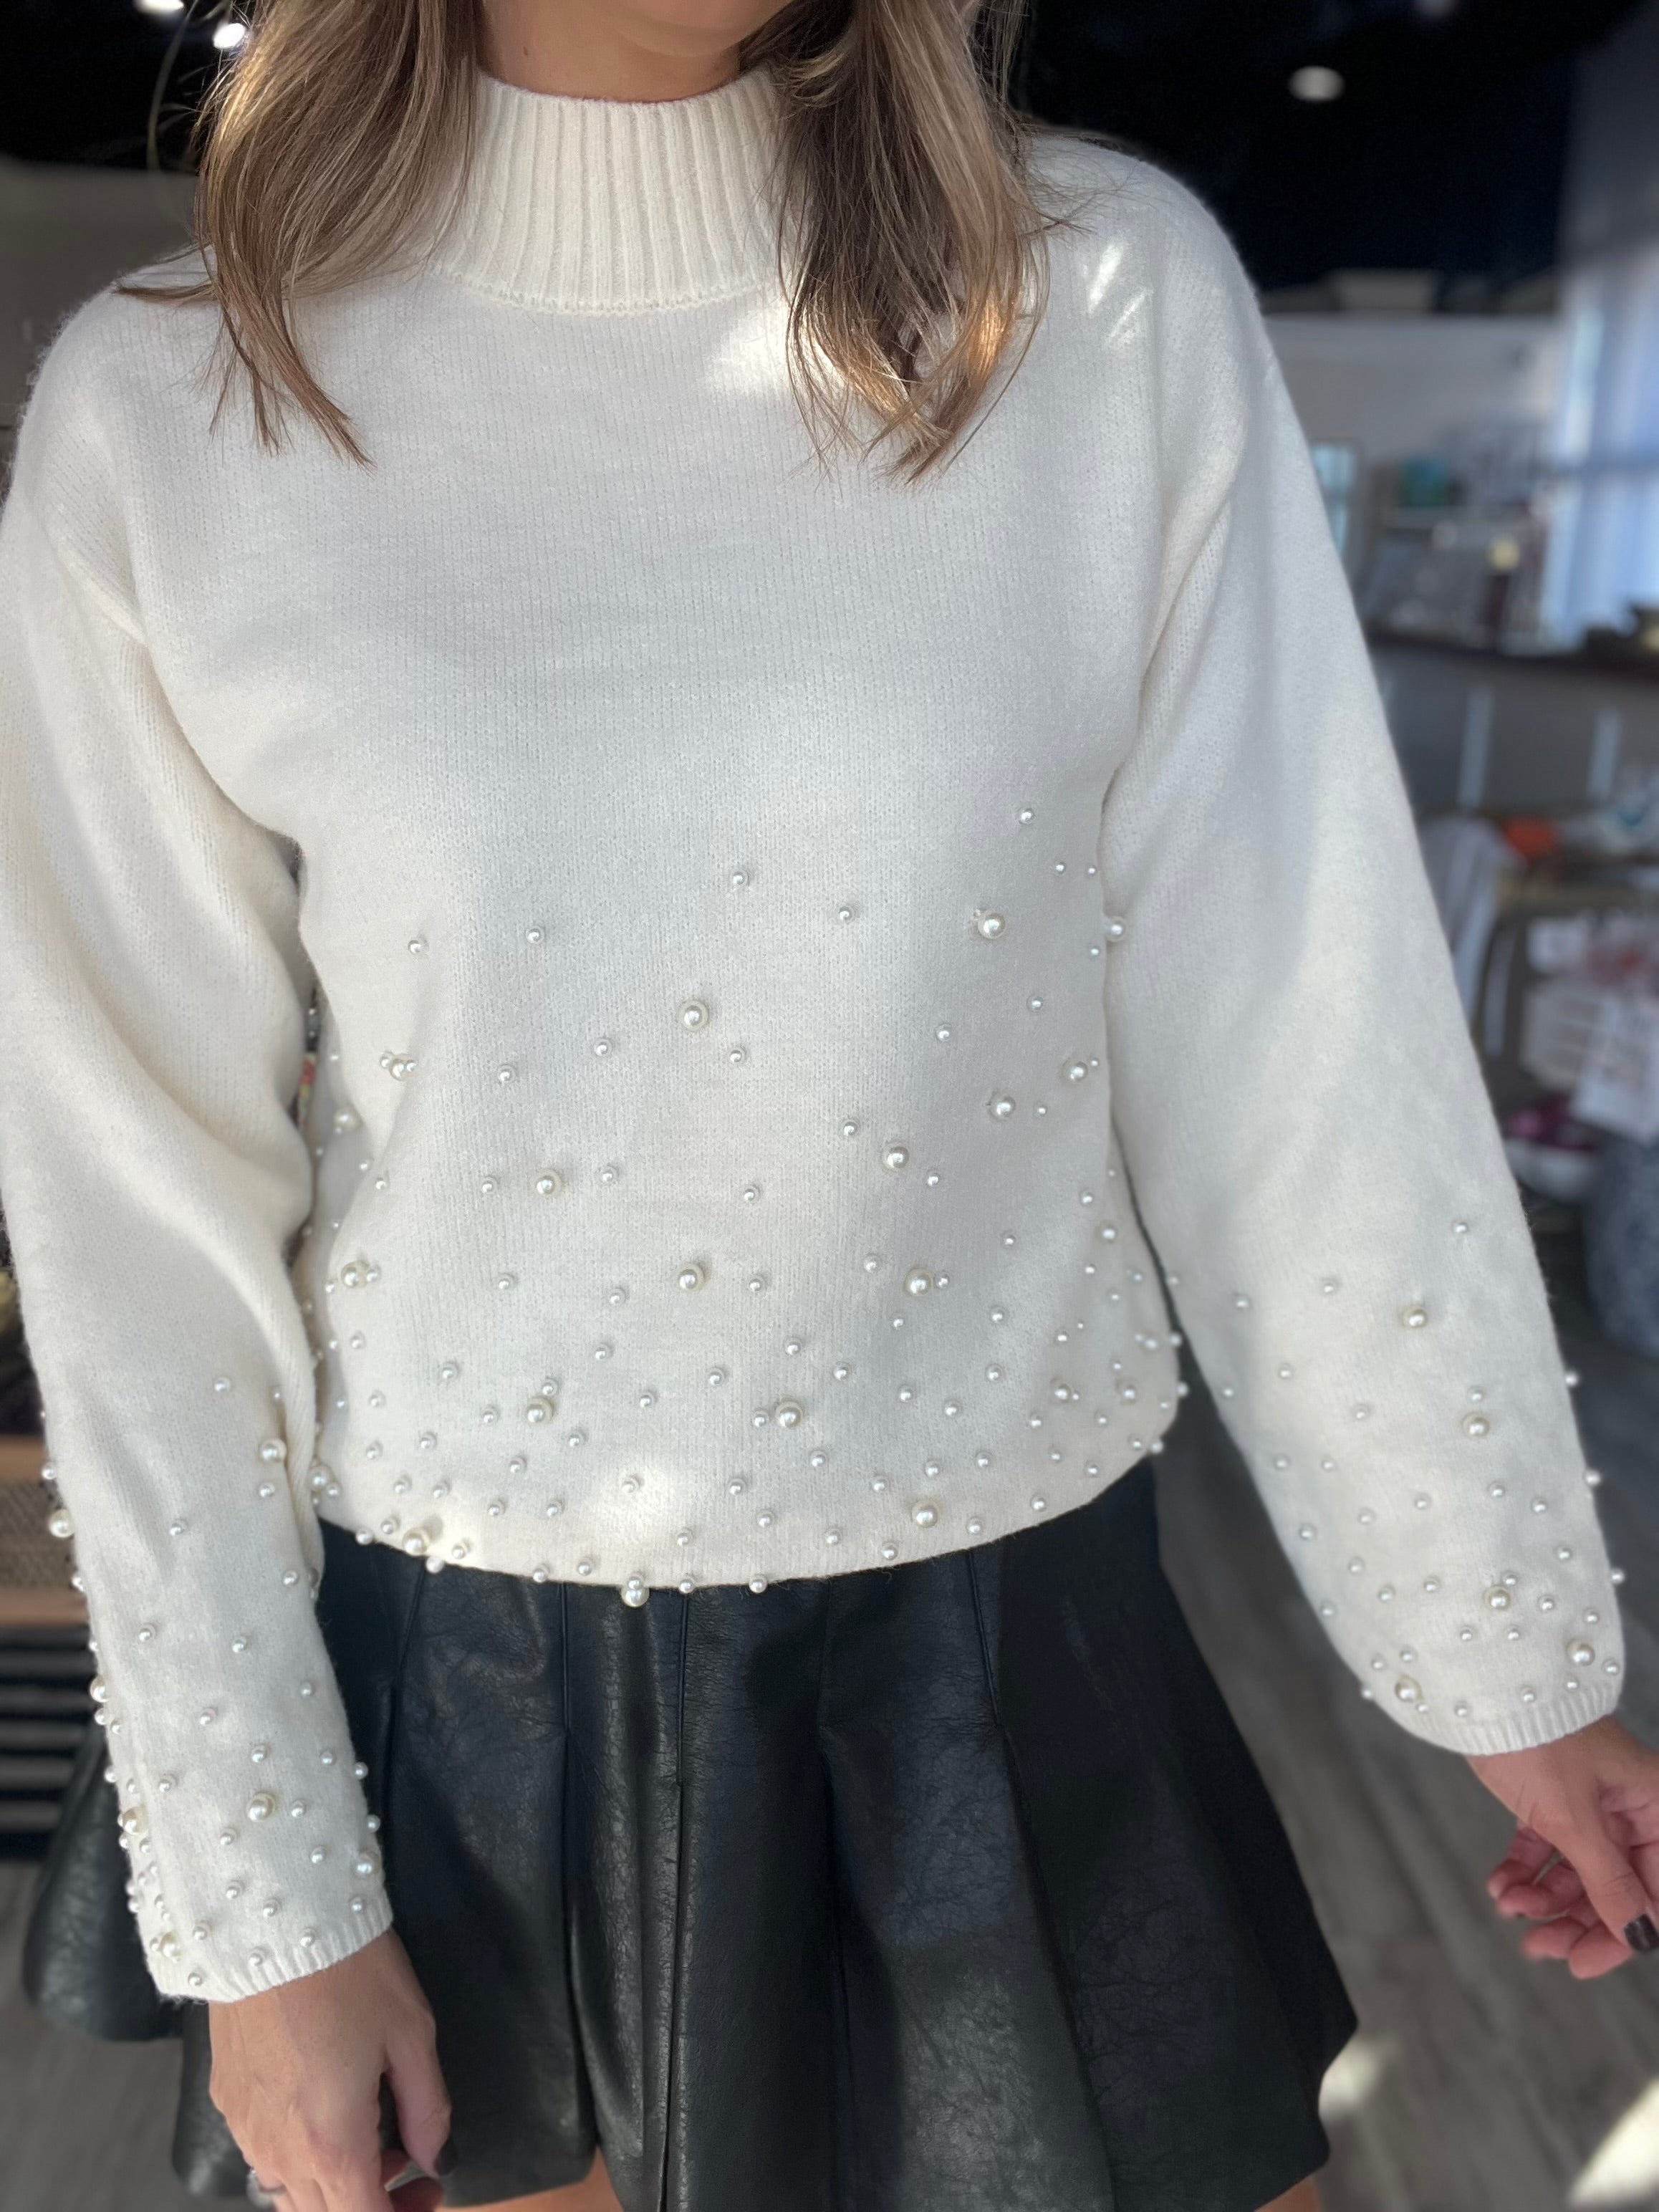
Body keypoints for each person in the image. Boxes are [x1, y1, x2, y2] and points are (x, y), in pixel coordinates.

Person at [3, 0, 1657, 2207]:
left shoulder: (1096, 309)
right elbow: (135, 1209)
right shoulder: (185, 394)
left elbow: (1293, 1026)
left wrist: (1502, 1645)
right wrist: (262, 1904)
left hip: (1023, 1664)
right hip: (452, 1712)